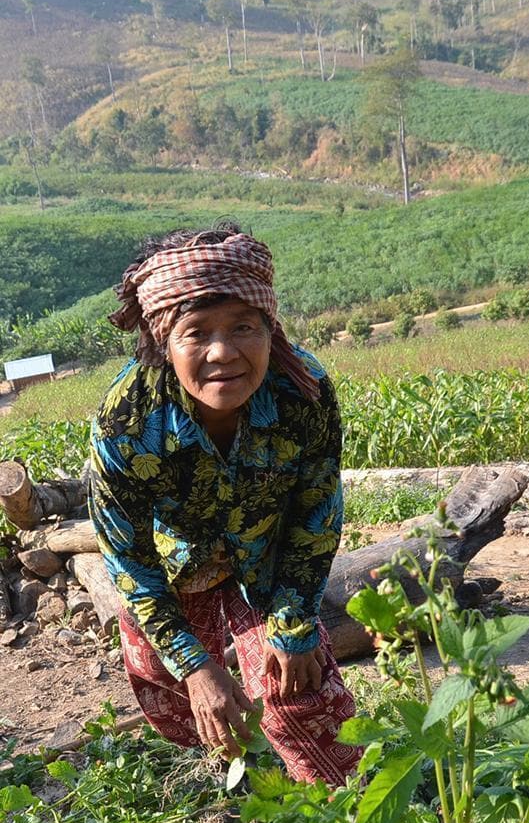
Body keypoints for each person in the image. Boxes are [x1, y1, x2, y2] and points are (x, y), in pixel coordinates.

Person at [88, 221, 362, 786]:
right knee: (172, 694)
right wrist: (194, 667)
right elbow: (128, 559)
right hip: (174, 564)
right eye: (197, 333)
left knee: (301, 695)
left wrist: (292, 627)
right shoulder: (126, 424)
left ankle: (352, 810)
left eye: (244, 327)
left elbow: (317, 511)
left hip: (269, 555)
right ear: (164, 340)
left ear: (270, 328)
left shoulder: (302, 392)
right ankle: (232, 764)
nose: (223, 352)